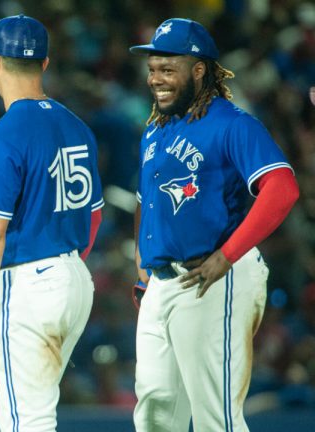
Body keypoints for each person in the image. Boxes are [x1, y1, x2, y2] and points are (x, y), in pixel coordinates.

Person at [128, 18, 300, 431]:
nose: (157, 79)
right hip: (163, 283)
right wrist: (143, 265)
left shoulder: (232, 123)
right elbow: (145, 203)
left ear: (199, 70)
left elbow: (282, 189)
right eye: (153, 69)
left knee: (215, 417)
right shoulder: (156, 129)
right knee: (154, 412)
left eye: (168, 69)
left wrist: (227, 255)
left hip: (213, 277)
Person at [0, 15, 104, 431]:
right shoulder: (77, 126)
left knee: (25, 420)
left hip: (28, 285)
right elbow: (94, 213)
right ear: (44, 63)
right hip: (75, 277)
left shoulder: (3, 136)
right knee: (37, 412)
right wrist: (65, 265)